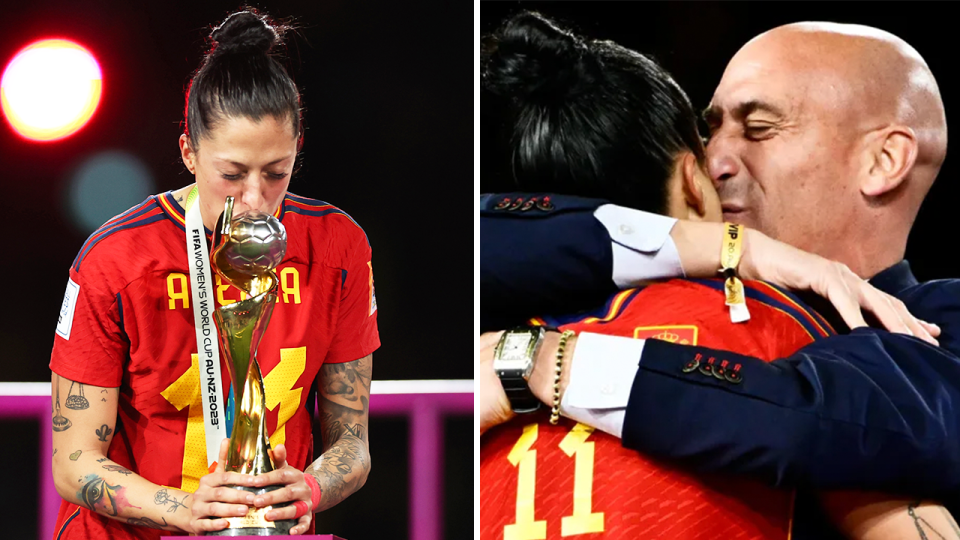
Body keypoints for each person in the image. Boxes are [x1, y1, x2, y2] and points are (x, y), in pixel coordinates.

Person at [478, 12, 958, 539]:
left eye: (759, 129)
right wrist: (726, 246)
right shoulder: (592, 303)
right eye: (710, 130)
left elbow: (806, 416)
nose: (715, 159)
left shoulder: (937, 325)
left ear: (884, 160)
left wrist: (545, 362)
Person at [49, 9, 378, 539]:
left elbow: (352, 444)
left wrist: (310, 487)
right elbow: (72, 460)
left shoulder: (339, 247)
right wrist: (184, 508)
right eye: (231, 174)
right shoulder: (116, 259)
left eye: (276, 174)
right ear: (189, 153)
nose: (254, 199)